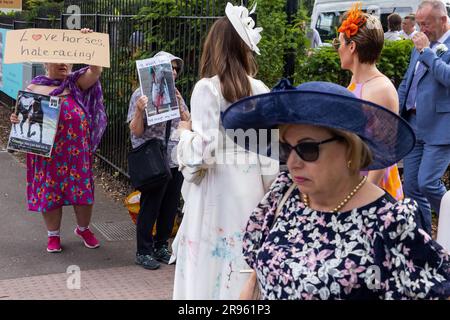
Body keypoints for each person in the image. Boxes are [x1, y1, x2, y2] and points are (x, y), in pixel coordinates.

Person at [221, 79, 450, 300]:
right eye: (285, 149)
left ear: (350, 148)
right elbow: (258, 275)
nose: (292, 162)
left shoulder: (390, 224)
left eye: (307, 149)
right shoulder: (284, 194)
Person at [171, 2, 277, 299]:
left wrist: (184, 135)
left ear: (215, 47)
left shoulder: (208, 89)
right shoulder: (261, 89)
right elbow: (270, 157)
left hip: (215, 197)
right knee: (241, 270)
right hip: (251, 197)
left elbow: (203, 154)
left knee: (209, 272)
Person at [9, 28, 106, 253]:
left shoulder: (75, 83)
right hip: (47, 153)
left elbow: (96, 69)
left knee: (82, 192)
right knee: (50, 193)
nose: (64, 63)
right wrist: (16, 118)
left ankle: (83, 229)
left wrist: (88, 41)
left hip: (76, 152)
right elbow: (22, 119)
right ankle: (53, 236)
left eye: (67, 59)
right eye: (58, 59)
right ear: (46, 61)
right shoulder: (33, 88)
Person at [334, 3, 404, 201]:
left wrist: (363, 198)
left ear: (352, 46)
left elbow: (384, 152)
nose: (338, 49)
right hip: (355, 180)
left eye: (339, 43)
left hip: (373, 190)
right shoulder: (358, 82)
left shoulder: (380, 89)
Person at [127, 50, 190, 270]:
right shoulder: (141, 94)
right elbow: (135, 131)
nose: (173, 71)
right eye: (169, 67)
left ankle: (161, 245)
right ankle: (143, 250)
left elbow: (188, 124)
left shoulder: (176, 93)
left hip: (174, 156)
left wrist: (182, 105)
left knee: (170, 204)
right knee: (150, 204)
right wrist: (139, 110)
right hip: (153, 158)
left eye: (175, 68)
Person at [398, 0, 450, 235]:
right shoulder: (418, 47)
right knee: (411, 187)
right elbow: (408, 82)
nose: (421, 30)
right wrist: (395, 113)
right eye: (418, 24)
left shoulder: (428, 48)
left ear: (443, 20)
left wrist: (427, 53)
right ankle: (423, 239)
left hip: (440, 126)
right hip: (413, 123)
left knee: (427, 183)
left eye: (426, 24)